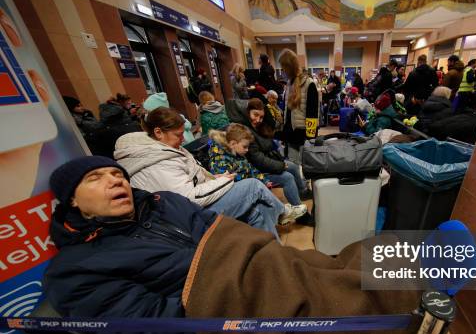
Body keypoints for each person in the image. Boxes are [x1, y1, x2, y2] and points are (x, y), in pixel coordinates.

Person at [44, 155, 420, 334]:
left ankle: (418, 275)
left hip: (250, 267)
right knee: (318, 302)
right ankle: (414, 307)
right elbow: (144, 323)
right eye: (97, 178)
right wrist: (227, 309)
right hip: (214, 311)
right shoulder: (74, 269)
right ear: (73, 201)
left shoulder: (162, 203)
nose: (116, 181)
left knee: (325, 266)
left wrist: (257, 262)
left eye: (117, 174)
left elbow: (219, 228)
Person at [114, 107, 304, 238]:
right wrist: (224, 181)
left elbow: (196, 177)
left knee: (258, 211)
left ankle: (272, 257)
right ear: (158, 132)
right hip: (186, 217)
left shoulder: (163, 150)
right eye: (178, 135)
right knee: (253, 187)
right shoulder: (156, 161)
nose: (183, 139)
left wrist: (216, 179)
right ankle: (282, 211)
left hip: (189, 208)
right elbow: (189, 197)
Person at [240, 99, 314, 223]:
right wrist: (280, 165)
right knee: (287, 177)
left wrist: (281, 162)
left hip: (266, 163)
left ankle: (302, 192)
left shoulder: (258, 126)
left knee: (294, 166)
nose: (258, 120)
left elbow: (267, 149)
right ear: (248, 112)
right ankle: (301, 215)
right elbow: (258, 160)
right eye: (255, 115)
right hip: (257, 170)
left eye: (261, 116)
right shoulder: (245, 131)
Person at [278, 49, 320, 163]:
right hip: (290, 135)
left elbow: (313, 113)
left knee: (306, 169)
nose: (282, 71)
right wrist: (284, 133)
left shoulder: (309, 83)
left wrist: (311, 139)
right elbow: (287, 110)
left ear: (289, 66)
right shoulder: (289, 83)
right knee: (293, 167)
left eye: (283, 67)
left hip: (303, 136)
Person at [97, 93, 141, 158]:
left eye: (130, 103)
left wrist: (131, 114)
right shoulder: (117, 110)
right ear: (121, 102)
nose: (130, 105)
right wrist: (131, 114)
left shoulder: (116, 110)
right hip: (118, 140)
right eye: (128, 103)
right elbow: (122, 123)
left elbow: (122, 121)